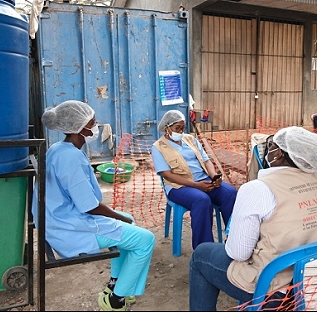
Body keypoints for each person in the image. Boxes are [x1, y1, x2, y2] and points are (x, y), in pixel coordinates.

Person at [189, 126, 317, 311]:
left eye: (271, 146)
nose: (268, 151)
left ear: (278, 153)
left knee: (201, 256)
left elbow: (238, 253)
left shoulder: (258, 188)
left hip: (280, 292)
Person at [32, 100, 156, 311]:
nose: (96, 127)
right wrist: (120, 218)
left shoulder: (59, 149)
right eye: (93, 123)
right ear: (80, 128)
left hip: (59, 220)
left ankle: (117, 284)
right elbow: (89, 206)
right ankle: (115, 300)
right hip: (70, 229)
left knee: (130, 221)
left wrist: (121, 217)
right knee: (146, 240)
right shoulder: (70, 157)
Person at [151, 110, 237, 250]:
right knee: (201, 200)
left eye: (182, 127)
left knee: (230, 193)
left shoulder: (190, 140)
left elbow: (206, 160)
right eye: (177, 128)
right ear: (167, 128)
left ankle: (234, 239)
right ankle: (204, 249)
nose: (181, 130)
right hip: (178, 187)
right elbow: (167, 174)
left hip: (203, 180)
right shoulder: (158, 147)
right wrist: (196, 186)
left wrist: (214, 176)